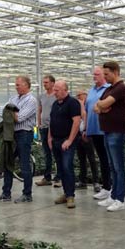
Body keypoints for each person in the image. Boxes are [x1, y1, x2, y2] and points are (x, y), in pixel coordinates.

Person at [0, 75, 38, 203]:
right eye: (16, 85)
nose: (16, 87)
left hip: (24, 134)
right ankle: (6, 193)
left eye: (18, 85)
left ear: (26, 85)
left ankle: (27, 194)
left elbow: (20, 117)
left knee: (24, 165)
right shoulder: (13, 98)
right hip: (11, 135)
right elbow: (2, 112)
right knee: (7, 162)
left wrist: (10, 112)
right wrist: (11, 112)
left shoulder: (31, 100)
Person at [94, 62, 125, 212]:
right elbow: (97, 106)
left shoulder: (121, 88)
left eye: (107, 74)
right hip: (107, 131)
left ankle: (120, 199)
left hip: (117, 131)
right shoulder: (109, 89)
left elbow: (103, 104)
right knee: (112, 166)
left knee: (118, 167)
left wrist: (103, 106)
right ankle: (113, 195)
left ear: (115, 72)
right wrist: (103, 107)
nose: (104, 76)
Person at [50, 80, 81, 209]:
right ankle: (65, 192)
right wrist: (49, 137)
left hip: (66, 141)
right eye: (54, 90)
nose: (54, 93)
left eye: (57, 90)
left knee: (67, 167)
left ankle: (70, 196)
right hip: (56, 140)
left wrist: (69, 140)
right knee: (61, 168)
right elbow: (52, 121)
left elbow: (76, 122)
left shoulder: (73, 103)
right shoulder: (55, 104)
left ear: (65, 90)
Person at [87, 66, 112, 201]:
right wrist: (85, 128)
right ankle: (106, 187)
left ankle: (111, 188)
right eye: (94, 74)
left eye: (97, 74)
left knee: (108, 160)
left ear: (104, 75)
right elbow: (86, 109)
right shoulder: (91, 90)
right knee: (102, 160)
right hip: (93, 130)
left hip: (104, 130)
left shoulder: (108, 89)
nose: (94, 76)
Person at [35, 75, 61, 187]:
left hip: (55, 128)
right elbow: (39, 110)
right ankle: (47, 177)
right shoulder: (41, 96)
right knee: (47, 153)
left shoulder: (56, 96)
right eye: (43, 82)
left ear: (52, 83)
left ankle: (59, 177)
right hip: (44, 128)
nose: (44, 84)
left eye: (46, 82)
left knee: (57, 153)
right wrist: (39, 124)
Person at [75, 90, 100, 192]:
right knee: (81, 159)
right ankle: (82, 180)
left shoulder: (88, 106)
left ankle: (96, 181)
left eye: (80, 95)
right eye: (77, 96)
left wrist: (81, 105)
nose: (78, 97)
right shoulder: (77, 106)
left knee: (91, 158)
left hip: (88, 135)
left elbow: (84, 115)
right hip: (79, 134)